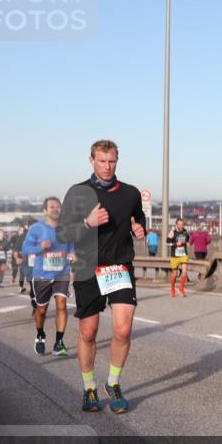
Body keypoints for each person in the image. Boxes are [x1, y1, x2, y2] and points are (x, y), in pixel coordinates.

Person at [57, 139, 146, 414]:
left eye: (112, 161)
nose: (107, 166)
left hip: (119, 267)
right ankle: (89, 387)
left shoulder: (130, 193)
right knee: (88, 332)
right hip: (87, 268)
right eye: (102, 161)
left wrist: (139, 228)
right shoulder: (78, 193)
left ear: (117, 161)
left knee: (123, 329)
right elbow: (62, 234)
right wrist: (87, 223)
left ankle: (113, 383)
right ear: (92, 161)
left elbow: (139, 218)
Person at [22, 197, 75, 356]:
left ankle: (59, 343)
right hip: (42, 275)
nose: (55, 209)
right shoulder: (37, 229)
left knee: (61, 305)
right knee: (42, 310)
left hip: (62, 273)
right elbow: (26, 249)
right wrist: (40, 247)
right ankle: (40, 334)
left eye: (58, 207)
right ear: (45, 211)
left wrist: (73, 254)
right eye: (52, 207)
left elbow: (71, 247)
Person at [166, 218, 190, 297]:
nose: (181, 226)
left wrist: (187, 242)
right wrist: (176, 244)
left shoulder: (185, 231)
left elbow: (187, 239)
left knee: (184, 271)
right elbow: (167, 243)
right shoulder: (172, 232)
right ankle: (172, 288)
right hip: (175, 255)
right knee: (174, 274)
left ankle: (181, 289)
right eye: (179, 224)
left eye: (182, 224)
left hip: (183, 254)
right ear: (176, 224)